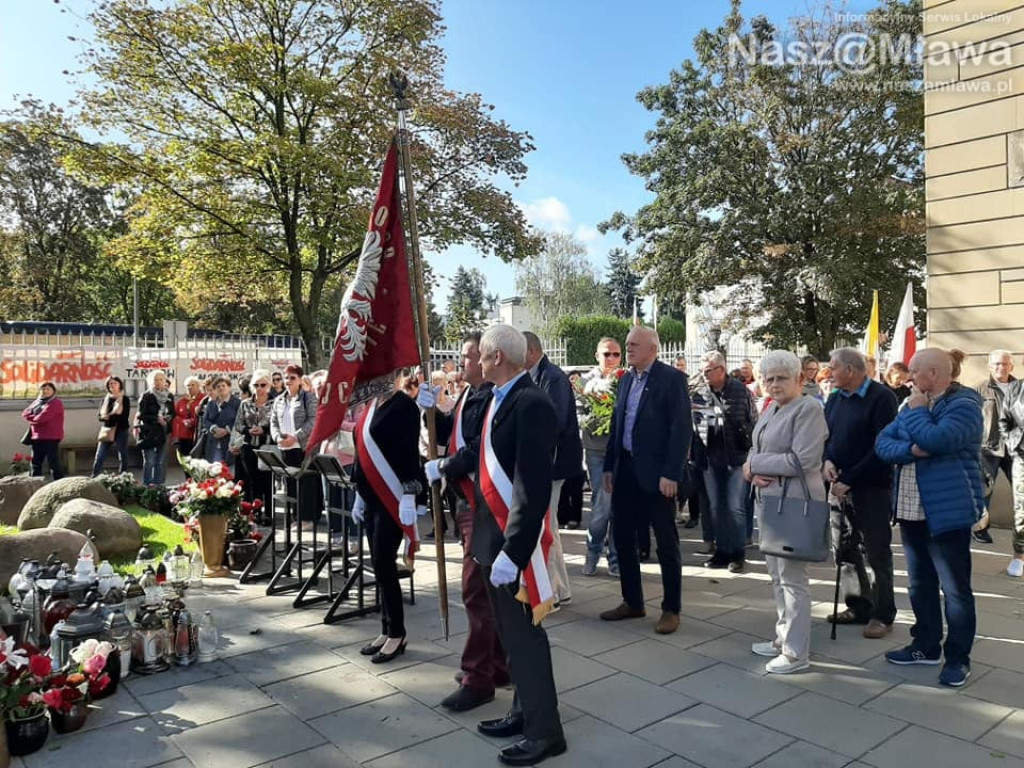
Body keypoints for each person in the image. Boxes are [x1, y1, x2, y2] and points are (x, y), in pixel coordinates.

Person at [471, 325, 566, 766]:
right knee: (511, 634)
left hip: (513, 545)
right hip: (494, 539)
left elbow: (531, 487)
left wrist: (513, 551)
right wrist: (442, 465)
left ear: (497, 358)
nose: (476, 361)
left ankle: (545, 732)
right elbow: (482, 452)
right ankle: (522, 710)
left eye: (482, 355)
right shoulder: (500, 397)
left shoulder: (531, 403)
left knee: (526, 638)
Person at [876, 348, 983, 687]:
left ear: (934, 374)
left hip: (947, 513)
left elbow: (937, 439)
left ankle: (957, 659)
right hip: (910, 511)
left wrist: (919, 420)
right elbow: (882, 443)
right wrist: (910, 450)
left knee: (955, 591)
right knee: (920, 584)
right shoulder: (910, 404)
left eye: (914, 371)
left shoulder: (965, 406)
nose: (908, 378)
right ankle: (925, 645)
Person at [422, 332, 510, 713]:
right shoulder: (468, 394)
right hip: (465, 501)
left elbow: (477, 448)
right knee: (488, 590)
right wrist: (430, 412)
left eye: (470, 356)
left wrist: (444, 465)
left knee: (476, 591)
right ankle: (498, 664)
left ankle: (478, 678)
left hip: (483, 503)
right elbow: (453, 434)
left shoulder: (492, 396)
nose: (464, 363)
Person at [600, 326, 691, 635]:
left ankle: (671, 609)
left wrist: (671, 473)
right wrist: (610, 467)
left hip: (657, 475)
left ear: (653, 349)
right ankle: (633, 602)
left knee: (666, 542)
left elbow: (681, 431)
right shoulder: (625, 380)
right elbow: (618, 423)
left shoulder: (672, 379)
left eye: (634, 344)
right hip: (625, 470)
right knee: (623, 538)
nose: (628, 349)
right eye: (627, 344)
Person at [745, 350, 828, 674]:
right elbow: (756, 448)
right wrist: (749, 468)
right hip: (771, 502)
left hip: (794, 503)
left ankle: (796, 653)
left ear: (799, 379)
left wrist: (753, 465)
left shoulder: (808, 408)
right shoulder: (772, 408)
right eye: (769, 379)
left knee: (793, 580)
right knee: (777, 576)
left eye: (781, 378)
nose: (774, 384)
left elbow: (803, 460)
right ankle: (783, 638)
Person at [823, 347, 899, 639]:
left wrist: (851, 479)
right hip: (839, 484)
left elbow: (883, 447)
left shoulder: (881, 397)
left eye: (834, 367)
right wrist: (828, 461)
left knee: (876, 550)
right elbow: (827, 436)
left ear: (851, 370)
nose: (829, 372)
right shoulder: (834, 398)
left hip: (871, 486)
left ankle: (883, 613)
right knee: (843, 548)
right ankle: (858, 605)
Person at [351, 370, 424, 665]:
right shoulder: (371, 407)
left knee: (384, 562)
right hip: (370, 497)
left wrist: (409, 493)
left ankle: (397, 632)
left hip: (393, 497)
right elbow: (361, 449)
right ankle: (386, 628)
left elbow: (408, 452)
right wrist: (358, 490)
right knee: (379, 566)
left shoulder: (404, 405)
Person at [523, 332, 581, 606]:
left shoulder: (552, 377)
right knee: (550, 526)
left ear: (532, 350)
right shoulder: (536, 374)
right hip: (545, 462)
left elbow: (553, 421)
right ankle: (559, 589)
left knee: (546, 525)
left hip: (554, 463)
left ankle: (551, 590)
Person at [700, 350, 756, 572]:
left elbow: (753, 421)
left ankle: (737, 553)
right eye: (702, 371)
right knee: (716, 507)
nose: (703, 375)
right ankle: (721, 551)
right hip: (710, 459)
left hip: (736, 458)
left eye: (707, 371)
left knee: (734, 507)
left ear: (720, 370)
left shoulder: (740, 391)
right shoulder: (700, 392)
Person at [579, 337, 622, 576]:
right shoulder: (586, 381)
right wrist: (596, 421)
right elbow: (578, 415)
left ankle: (615, 558)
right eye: (607, 354)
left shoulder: (624, 380)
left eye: (616, 354)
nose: (612, 359)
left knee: (618, 507)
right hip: (596, 451)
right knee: (602, 506)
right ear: (598, 356)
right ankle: (593, 551)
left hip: (621, 452)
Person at [270, 364, 321, 527]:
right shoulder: (279, 400)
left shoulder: (308, 398)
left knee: (306, 483)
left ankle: (307, 518)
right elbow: (273, 422)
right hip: (285, 447)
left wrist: (296, 436)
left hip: (303, 447)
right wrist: (278, 437)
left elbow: (313, 420)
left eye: (292, 378)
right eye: (286, 377)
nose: (288, 381)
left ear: (300, 380)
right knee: (290, 483)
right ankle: (295, 516)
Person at [975, 350, 1016, 545]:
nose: (1001, 367)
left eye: (1005, 364)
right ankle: (981, 528)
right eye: (997, 364)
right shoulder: (980, 390)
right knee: (984, 491)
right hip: (988, 447)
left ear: (1011, 366)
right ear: (990, 366)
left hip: (1016, 447)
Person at [231, 369, 274, 513]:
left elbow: (278, 423)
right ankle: (255, 512)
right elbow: (238, 424)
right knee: (252, 480)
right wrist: (248, 430)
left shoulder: (275, 402)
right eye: (256, 385)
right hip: (249, 446)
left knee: (267, 481)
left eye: (263, 385)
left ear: (269, 386)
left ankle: (269, 513)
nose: (260, 388)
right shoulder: (245, 404)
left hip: (267, 446)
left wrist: (264, 429)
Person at [998, 371, 1024, 577]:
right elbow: (1004, 421)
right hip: (1022, 456)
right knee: (1022, 508)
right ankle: (1019, 555)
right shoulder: (1017, 388)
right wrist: (1013, 444)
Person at [21, 382, 65, 480]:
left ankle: (59, 484)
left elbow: (42, 418)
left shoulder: (55, 403)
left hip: (51, 437)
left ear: (53, 391)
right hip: (37, 437)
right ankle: (35, 483)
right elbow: (25, 413)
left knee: (53, 463)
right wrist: (33, 417)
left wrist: (31, 418)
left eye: (48, 389)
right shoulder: (37, 402)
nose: (45, 391)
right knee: (35, 463)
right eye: (43, 389)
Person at [138, 371, 174, 486]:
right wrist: (156, 418)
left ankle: (158, 486)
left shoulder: (169, 396)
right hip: (150, 431)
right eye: (155, 380)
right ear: (150, 382)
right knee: (149, 461)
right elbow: (141, 415)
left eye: (160, 379)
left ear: (165, 381)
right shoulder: (147, 395)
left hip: (164, 431)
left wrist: (168, 417)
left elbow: (173, 412)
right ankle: (147, 485)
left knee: (160, 461)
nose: (158, 382)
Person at [91, 376, 131, 476]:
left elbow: (124, 416)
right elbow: (100, 416)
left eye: (115, 383)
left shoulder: (124, 399)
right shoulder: (105, 399)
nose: (112, 385)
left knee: (123, 455)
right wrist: (109, 416)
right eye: (110, 384)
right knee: (100, 455)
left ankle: (124, 477)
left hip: (121, 429)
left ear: (120, 385)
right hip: (107, 430)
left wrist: (109, 416)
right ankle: (94, 476)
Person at [202, 376, 241, 466]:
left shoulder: (237, 403)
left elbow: (239, 421)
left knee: (229, 473)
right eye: (218, 386)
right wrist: (214, 428)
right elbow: (205, 420)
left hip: (230, 444)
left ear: (229, 387)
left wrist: (226, 430)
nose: (221, 388)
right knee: (215, 472)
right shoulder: (211, 403)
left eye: (223, 385)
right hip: (213, 443)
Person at [172, 376, 204, 459]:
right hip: (184, 435)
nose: (190, 387)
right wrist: (184, 421)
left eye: (193, 385)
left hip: (197, 435)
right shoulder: (182, 401)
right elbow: (175, 415)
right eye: (188, 385)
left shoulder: (203, 399)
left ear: (198, 386)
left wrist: (192, 421)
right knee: (185, 459)